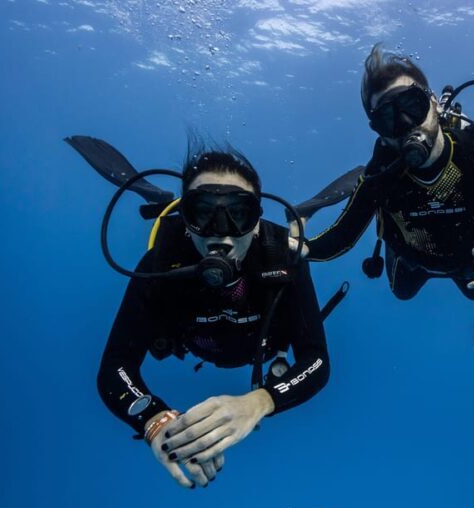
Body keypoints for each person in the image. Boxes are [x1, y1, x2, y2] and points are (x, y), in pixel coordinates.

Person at [293, 43, 474, 348]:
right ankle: (405, 255)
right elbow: (340, 238)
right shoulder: (380, 176)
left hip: (471, 261)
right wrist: (297, 247)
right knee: (402, 292)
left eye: (412, 105)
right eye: (388, 117)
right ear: (378, 131)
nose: (406, 125)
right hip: (411, 261)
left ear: (435, 103)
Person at [92, 142, 330, 490]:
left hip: (262, 349)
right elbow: (115, 365)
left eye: (239, 213)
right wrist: (154, 419)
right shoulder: (160, 264)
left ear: (257, 221)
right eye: (202, 212)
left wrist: (261, 401)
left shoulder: (283, 260)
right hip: (198, 343)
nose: (222, 231)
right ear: (186, 222)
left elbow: (316, 360)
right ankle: (169, 204)